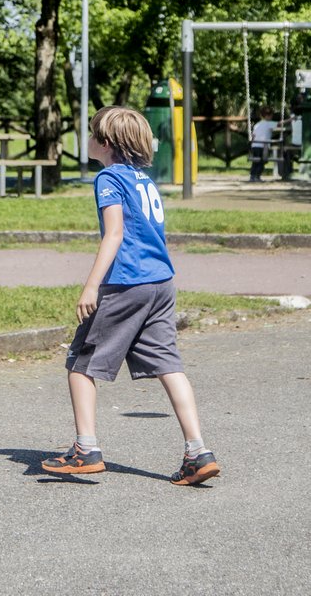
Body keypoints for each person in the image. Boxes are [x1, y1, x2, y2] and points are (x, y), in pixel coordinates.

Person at [41, 105, 219, 486]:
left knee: (80, 363)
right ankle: (197, 451)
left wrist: (91, 285)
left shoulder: (108, 178)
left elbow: (115, 234)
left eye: (90, 133)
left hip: (127, 283)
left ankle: (85, 449)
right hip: (161, 283)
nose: (86, 138)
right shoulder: (143, 180)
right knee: (169, 365)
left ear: (105, 143)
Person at [249, 106, 276, 182]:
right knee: (262, 161)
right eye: (271, 115)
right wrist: (290, 120)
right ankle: (257, 176)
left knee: (255, 161)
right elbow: (280, 124)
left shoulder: (257, 124)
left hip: (255, 145)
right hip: (263, 146)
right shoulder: (269, 123)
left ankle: (252, 176)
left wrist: (251, 145)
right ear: (268, 116)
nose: (271, 117)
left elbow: (253, 135)